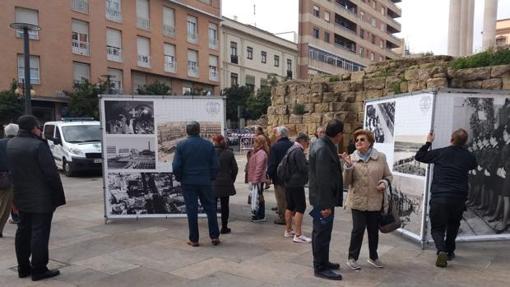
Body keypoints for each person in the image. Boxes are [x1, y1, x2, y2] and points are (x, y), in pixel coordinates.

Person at [7, 115, 66, 281]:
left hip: (20, 195)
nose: (40, 130)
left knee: (23, 231)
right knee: (39, 233)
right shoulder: (38, 146)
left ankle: (23, 268)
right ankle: (39, 269)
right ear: (33, 128)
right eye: (38, 127)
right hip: (41, 198)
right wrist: (57, 196)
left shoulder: (11, 144)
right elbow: (51, 174)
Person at [415, 129, 477, 268]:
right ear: (465, 142)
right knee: (453, 225)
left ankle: (441, 250)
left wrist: (428, 142)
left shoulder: (440, 153)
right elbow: (473, 165)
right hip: (459, 198)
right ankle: (449, 252)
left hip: (440, 196)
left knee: (437, 228)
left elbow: (419, 156)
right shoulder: (469, 156)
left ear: (451, 139)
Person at [341, 129, 392, 270]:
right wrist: (348, 167)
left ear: (370, 142)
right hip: (357, 200)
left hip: (375, 200)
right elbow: (346, 183)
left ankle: (373, 257)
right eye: (356, 140)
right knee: (357, 230)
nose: (358, 142)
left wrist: (384, 183)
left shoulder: (380, 157)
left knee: (373, 231)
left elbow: (388, 176)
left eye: (362, 139)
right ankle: (352, 258)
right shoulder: (351, 158)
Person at [172, 121, 220, 247]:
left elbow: (176, 166)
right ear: (199, 130)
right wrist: (211, 177)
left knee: (191, 210)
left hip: (188, 182)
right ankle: (214, 236)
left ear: (187, 131)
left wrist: (180, 178)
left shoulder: (181, 145)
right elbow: (215, 165)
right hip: (205, 181)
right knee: (211, 208)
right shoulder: (208, 145)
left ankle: (194, 239)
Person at [308, 119, 344, 280]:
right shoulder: (323, 148)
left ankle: (323, 261)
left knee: (323, 232)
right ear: (338, 135)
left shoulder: (322, 144)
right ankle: (320, 267)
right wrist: (326, 205)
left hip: (322, 199)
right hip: (323, 200)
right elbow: (323, 179)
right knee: (321, 233)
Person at [282, 133, 311, 243]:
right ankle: (298, 235)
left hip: (289, 182)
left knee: (290, 206)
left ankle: (288, 230)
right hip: (296, 183)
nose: (307, 144)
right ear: (302, 141)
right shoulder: (298, 151)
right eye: (307, 142)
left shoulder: (291, 149)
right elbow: (303, 168)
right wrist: (309, 163)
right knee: (300, 207)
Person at [212, 135, 238, 234]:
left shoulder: (210, 153)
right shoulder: (229, 153)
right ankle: (224, 227)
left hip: (213, 182)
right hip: (225, 182)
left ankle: (213, 227)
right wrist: (231, 179)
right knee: (225, 206)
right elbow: (235, 169)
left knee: (212, 206)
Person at [267, 126, 293, 225]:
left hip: (279, 177)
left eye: (276, 134)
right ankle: (290, 216)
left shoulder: (275, 147)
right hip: (291, 176)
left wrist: (268, 175)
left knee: (281, 198)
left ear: (279, 135)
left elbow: (272, 163)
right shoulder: (292, 145)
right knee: (289, 197)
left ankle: (283, 218)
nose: (275, 136)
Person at [0, 123, 19, 237]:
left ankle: (16, 217)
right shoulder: (16, 144)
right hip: (8, 178)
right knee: (4, 206)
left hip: (4, 178)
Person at [247, 135, 269, 222]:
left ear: (260, 143)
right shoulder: (257, 152)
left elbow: (259, 168)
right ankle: (258, 214)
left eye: (256, 142)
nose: (254, 144)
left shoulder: (261, 153)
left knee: (259, 197)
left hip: (258, 179)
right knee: (257, 196)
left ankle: (260, 215)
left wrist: (255, 180)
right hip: (256, 179)